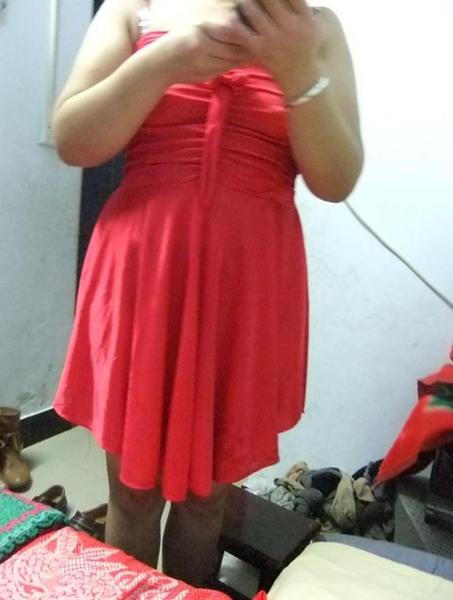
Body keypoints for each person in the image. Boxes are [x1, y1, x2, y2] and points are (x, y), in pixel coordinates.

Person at [52, 0, 363, 587]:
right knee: (133, 495)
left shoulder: (314, 28)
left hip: (246, 292)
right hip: (146, 276)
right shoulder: (134, 9)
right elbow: (73, 140)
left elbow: (336, 179)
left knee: (207, 501)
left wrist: (297, 68)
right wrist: (166, 60)